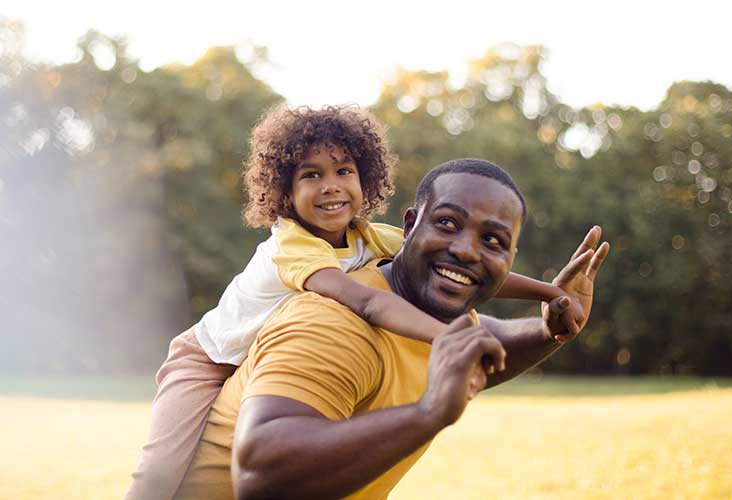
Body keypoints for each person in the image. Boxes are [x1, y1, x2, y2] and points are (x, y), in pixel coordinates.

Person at [126, 107, 582, 500]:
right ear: (284, 191)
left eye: (344, 171)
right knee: (158, 471)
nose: (331, 186)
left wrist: (552, 298)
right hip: (205, 357)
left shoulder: (368, 237)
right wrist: (450, 340)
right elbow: (365, 303)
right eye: (311, 174)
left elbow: (471, 268)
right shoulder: (296, 248)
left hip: (258, 351)